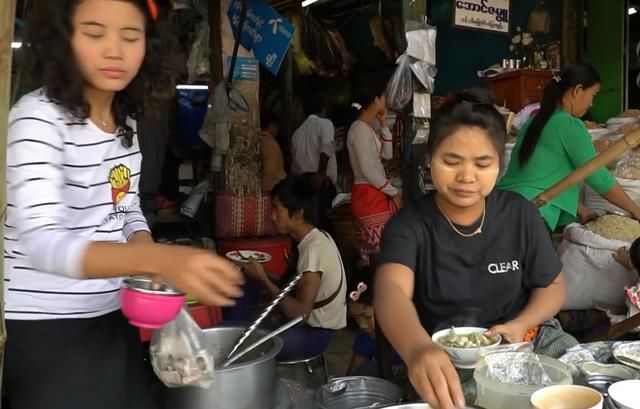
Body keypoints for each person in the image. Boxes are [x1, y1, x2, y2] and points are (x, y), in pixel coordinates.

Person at [3, 2, 244, 408]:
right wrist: (162, 262)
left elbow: (125, 207)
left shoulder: (124, 123)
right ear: (64, 40)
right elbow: (44, 243)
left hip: (111, 312)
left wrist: (148, 253)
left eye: (130, 37)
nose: (114, 50)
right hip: (44, 324)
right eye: (95, 34)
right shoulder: (37, 119)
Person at [374, 91, 576, 409]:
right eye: (451, 162)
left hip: (526, 340)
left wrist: (521, 324)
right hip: (451, 359)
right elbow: (391, 291)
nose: (466, 177)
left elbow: (552, 285)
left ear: (499, 164)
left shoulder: (519, 213)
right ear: (429, 158)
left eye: (482, 164)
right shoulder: (409, 225)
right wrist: (416, 349)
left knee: (580, 384)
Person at [498, 63, 640, 231]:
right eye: (593, 95)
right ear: (578, 90)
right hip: (531, 214)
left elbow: (547, 175)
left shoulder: (535, 121)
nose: (592, 103)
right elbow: (598, 176)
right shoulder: (568, 125)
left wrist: (582, 210)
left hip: (504, 205)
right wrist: (636, 211)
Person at [242, 174, 347, 360]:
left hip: (311, 337)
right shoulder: (315, 238)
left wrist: (264, 279)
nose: (272, 216)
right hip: (311, 331)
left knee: (243, 342)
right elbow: (295, 285)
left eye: (277, 209)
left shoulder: (314, 250)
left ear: (298, 214)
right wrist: (260, 272)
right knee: (246, 296)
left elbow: (300, 314)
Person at [347, 75, 402, 268]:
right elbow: (368, 169)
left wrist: (384, 124)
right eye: (383, 96)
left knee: (376, 251)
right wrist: (393, 191)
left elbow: (387, 154)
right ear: (376, 99)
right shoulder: (359, 129)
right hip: (368, 195)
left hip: (373, 194)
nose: (385, 100)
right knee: (379, 252)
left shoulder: (366, 128)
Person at [260, 110, 287, 192]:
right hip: (272, 189)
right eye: (277, 126)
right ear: (272, 125)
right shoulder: (269, 143)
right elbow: (270, 170)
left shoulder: (258, 140)